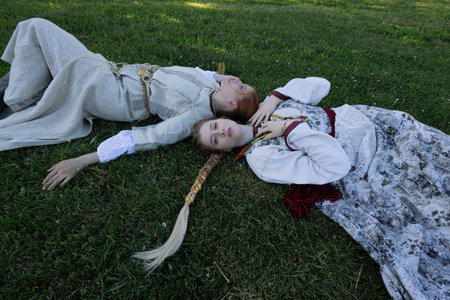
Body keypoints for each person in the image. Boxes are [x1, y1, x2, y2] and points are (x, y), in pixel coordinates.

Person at [192, 77, 449, 300]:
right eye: (216, 140)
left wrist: (276, 98)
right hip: (366, 157)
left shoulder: (264, 109)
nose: (221, 133)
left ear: (223, 118)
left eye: (215, 126)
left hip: (371, 122)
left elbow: (321, 85)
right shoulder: (261, 158)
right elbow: (337, 167)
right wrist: (289, 128)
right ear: (224, 151)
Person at [0, 18, 259, 190]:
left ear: (232, 105)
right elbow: (206, 73)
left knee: (37, 29)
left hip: (113, 95)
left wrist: (80, 161)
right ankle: (23, 92)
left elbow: (147, 138)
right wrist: (233, 85)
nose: (237, 79)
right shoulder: (210, 85)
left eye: (242, 86)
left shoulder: (196, 116)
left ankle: (20, 100)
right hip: (110, 71)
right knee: (33, 30)